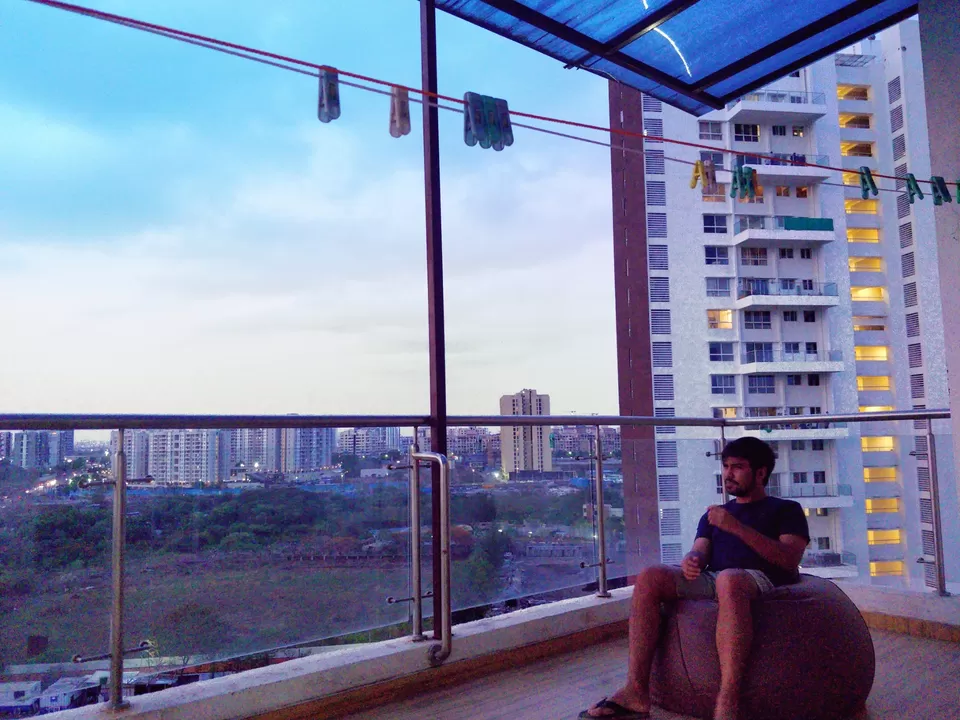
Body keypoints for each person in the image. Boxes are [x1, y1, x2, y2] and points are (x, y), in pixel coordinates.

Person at [580, 436, 810, 720]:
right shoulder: (716, 515)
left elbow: (789, 558)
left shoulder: (785, 509)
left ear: (761, 472)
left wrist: (736, 528)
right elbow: (700, 550)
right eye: (725, 466)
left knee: (730, 580)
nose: (728, 474)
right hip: (715, 578)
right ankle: (636, 691)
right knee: (650, 576)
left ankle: (728, 700)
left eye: (737, 467)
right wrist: (693, 561)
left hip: (761, 580)